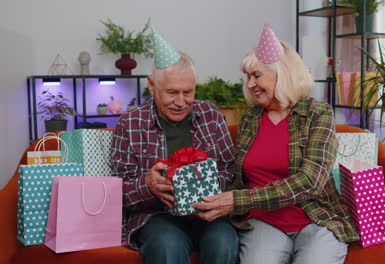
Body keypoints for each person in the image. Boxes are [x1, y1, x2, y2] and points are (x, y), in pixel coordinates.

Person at [192, 24, 359, 264]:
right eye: (248, 77)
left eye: (257, 75)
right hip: (263, 222)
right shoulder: (250, 119)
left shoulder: (318, 114)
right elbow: (237, 179)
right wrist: (207, 198)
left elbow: (311, 181)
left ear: (282, 74)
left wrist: (238, 200)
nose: (249, 84)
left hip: (317, 219)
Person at [110, 27, 238, 264]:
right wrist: (147, 185)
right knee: (167, 245)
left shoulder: (210, 114)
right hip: (156, 216)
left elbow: (231, 169)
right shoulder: (130, 123)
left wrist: (205, 185)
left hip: (208, 214)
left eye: (187, 92)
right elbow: (117, 191)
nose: (181, 102)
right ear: (152, 86)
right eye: (171, 92)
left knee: (224, 242)